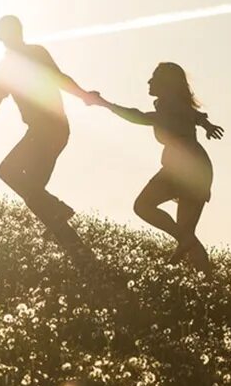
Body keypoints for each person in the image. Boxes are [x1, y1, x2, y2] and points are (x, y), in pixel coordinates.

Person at [0, 15, 96, 243]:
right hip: (55, 130)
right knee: (34, 193)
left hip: (47, 130)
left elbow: (59, 78)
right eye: (11, 30)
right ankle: (77, 251)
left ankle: (59, 213)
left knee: (8, 172)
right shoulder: (7, 68)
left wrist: (84, 95)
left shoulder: (32, 55)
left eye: (16, 29)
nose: (16, 34)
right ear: (1, 35)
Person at [89, 62, 223, 268]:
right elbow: (193, 115)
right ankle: (206, 280)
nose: (149, 81)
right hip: (197, 168)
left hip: (184, 168)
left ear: (166, 83)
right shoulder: (172, 106)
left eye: (154, 77)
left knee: (143, 206)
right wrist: (206, 125)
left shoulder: (170, 106)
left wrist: (105, 104)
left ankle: (187, 255)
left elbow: (141, 117)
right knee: (186, 236)